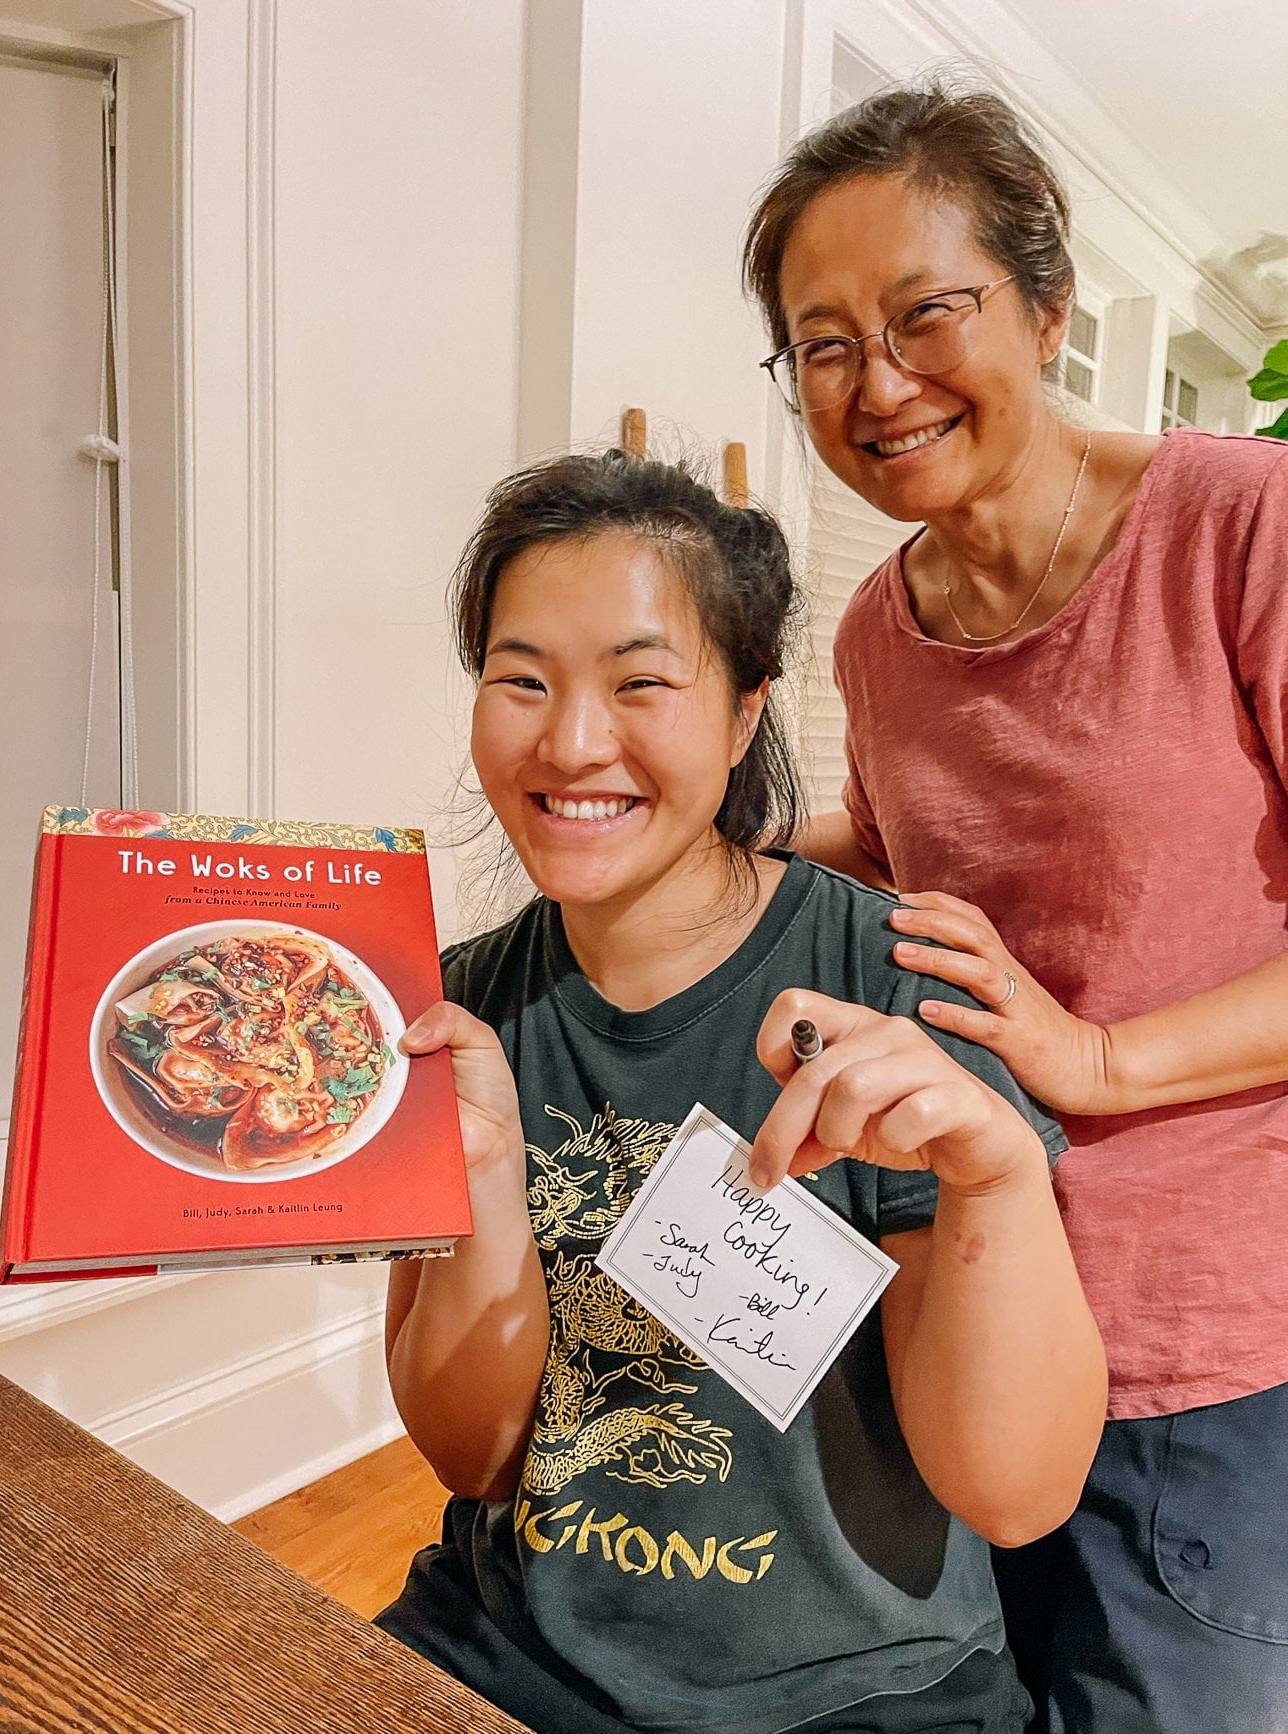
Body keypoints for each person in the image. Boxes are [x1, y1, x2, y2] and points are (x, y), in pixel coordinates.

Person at [375, 450, 1105, 1734]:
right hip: (506, 1654)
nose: (572, 741)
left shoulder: (892, 991)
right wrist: (483, 1179)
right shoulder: (460, 1007)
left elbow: (1011, 1493)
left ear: (744, 709)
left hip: (859, 1699)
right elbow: (476, 1457)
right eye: (521, 680)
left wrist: (990, 1170)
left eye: (641, 682)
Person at [742, 81, 1288, 1734]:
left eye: (925, 315)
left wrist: (1100, 1056)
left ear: (1046, 307)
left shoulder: (1238, 525)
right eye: (823, 343)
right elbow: (927, 853)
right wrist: (703, 846)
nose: (878, 383)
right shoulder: (873, 629)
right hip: (962, 1273)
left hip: (1205, 1332)